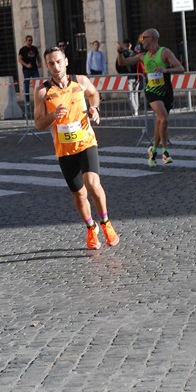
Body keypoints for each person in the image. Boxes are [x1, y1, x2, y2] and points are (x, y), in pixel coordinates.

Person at [34, 46, 119, 250]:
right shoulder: (43, 91)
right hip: (64, 149)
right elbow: (38, 123)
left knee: (92, 182)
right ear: (47, 66)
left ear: (66, 61)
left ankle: (106, 223)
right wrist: (52, 116)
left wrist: (95, 108)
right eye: (51, 63)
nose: (55, 66)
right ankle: (91, 228)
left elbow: (94, 94)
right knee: (79, 194)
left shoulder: (80, 81)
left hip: (86, 141)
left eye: (58, 61)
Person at [117, 28, 184, 166]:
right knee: (164, 118)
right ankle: (165, 152)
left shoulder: (164, 52)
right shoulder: (142, 56)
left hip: (166, 91)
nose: (141, 41)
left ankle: (153, 151)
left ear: (151, 38)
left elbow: (180, 68)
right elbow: (123, 63)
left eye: (143, 38)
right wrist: (119, 53)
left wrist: (166, 70)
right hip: (151, 91)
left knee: (161, 121)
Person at [116, 39, 139, 116]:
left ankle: (134, 110)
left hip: (127, 77)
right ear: (130, 45)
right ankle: (136, 109)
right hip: (136, 76)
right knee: (135, 93)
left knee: (130, 95)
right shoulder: (135, 54)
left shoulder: (122, 54)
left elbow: (118, 65)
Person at [18, 35, 41, 106]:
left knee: (37, 83)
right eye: (28, 40)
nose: (30, 42)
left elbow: (38, 56)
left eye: (31, 40)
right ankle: (27, 100)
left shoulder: (34, 48)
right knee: (27, 84)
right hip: (26, 70)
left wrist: (39, 63)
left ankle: (38, 98)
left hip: (34, 69)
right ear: (26, 41)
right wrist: (26, 65)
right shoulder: (22, 49)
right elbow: (20, 59)